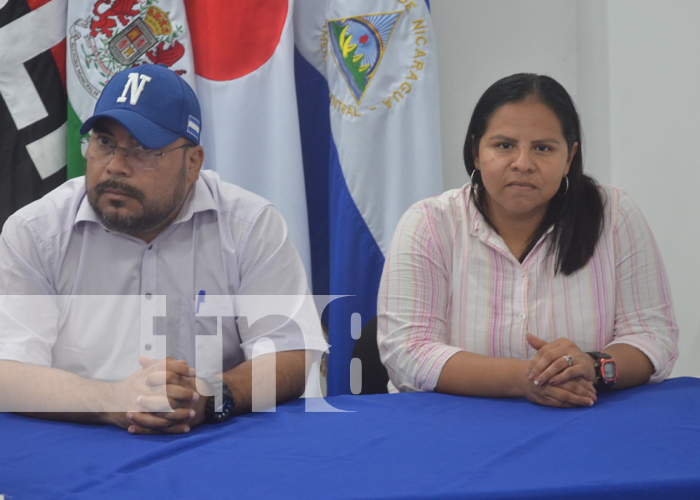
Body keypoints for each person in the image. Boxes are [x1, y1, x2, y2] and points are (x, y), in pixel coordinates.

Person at [0, 64, 327, 433]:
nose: (115, 167)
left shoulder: (249, 225)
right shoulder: (36, 231)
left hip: (210, 442)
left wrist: (209, 396)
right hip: (77, 443)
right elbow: (7, 372)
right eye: (104, 142)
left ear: (192, 163)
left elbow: (291, 356)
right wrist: (113, 401)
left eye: (142, 150)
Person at [377, 73, 678, 408]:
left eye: (543, 148)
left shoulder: (614, 216)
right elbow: (408, 351)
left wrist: (593, 365)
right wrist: (525, 379)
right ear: (476, 152)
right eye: (504, 146)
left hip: (583, 418)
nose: (523, 164)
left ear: (569, 157)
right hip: (453, 425)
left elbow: (654, 337)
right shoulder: (429, 224)